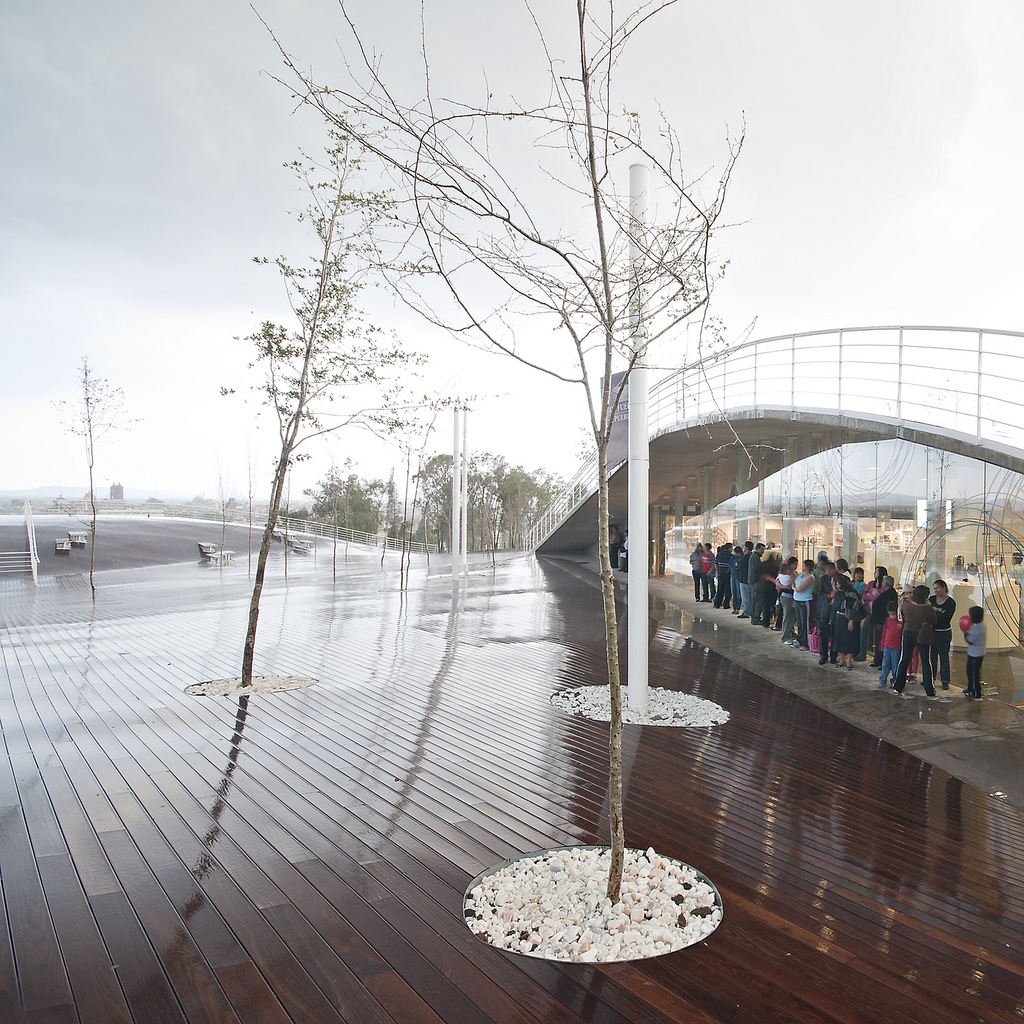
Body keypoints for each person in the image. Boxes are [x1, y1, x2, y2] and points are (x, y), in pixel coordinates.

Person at [892, 585, 938, 699]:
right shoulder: (928, 609)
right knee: (926, 662)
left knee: (904, 659)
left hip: (908, 633)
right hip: (923, 634)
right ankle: (929, 690)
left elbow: (902, 614)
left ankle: (898, 686)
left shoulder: (907, 606)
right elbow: (934, 620)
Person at [830, 575, 864, 670]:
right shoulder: (838, 593)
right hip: (838, 617)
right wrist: (831, 619)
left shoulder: (851, 593)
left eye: (838, 584)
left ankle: (849, 661)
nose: (837, 586)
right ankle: (842, 660)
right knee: (838, 640)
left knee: (849, 640)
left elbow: (854, 607)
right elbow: (834, 606)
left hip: (847, 618)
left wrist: (851, 620)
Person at [929, 580, 956, 691]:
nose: (936, 591)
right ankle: (931, 678)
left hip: (943, 632)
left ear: (944, 588)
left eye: (938, 588)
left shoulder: (950, 603)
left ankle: (945, 680)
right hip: (932, 631)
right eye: (934, 589)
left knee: (944, 657)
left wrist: (934, 619)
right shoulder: (931, 599)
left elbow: (946, 618)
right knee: (932, 656)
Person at [868, 576, 899, 667]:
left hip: (882, 621)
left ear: (885, 583)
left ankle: (881, 661)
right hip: (884, 620)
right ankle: (880, 660)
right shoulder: (891, 593)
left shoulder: (886, 595)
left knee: (881, 641)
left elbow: (878, 605)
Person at [962, 606, 986, 699]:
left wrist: (965, 633)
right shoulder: (979, 626)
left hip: (976, 654)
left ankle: (976, 692)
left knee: (974, 674)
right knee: (970, 671)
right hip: (975, 653)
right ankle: (970, 688)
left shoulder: (978, 628)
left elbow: (970, 640)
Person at [878, 605, 903, 688]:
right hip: (887, 646)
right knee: (885, 664)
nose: (892, 616)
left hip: (897, 647)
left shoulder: (901, 621)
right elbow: (884, 633)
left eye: (894, 614)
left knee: (895, 665)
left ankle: (894, 680)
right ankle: (882, 680)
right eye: (890, 614)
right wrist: (882, 644)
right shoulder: (887, 620)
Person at [793, 559, 815, 650]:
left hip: (805, 601)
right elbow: (794, 582)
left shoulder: (810, 577)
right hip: (797, 600)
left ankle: (806, 643)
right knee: (799, 622)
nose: (802, 567)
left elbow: (800, 588)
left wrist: (794, 588)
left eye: (804, 565)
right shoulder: (801, 575)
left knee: (804, 622)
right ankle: (800, 640)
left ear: (808, 567)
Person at [776, 557, 798, 643]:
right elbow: (777, 582)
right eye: (794, 563)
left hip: (793, 596)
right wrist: (784, 586)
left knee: (792, 616)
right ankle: (785, 636)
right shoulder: (784, 574)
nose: (796, 565)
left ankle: (791, 633)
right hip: (786, 596)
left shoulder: (795, 573)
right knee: (788, 616)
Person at [746, 543, 765, 625]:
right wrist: (757, 582)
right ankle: (755, 618)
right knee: (757, 600)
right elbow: (755, 571)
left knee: (754, 600)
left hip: (753, 582)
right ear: (757, 549)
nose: (763, 551)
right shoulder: (755, 558)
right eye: (762, 549)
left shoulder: (755, 557)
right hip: (755, 583)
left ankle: (754, 617)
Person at [735, 541, 753, 617]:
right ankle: (751, 611)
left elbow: (737, 564)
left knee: (745, 597)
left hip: (744, 578)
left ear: (746, 548)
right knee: (751, 597)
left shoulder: (746, 556)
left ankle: (746, 612)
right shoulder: (753, 556)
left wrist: (738, 566)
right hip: (751, 579)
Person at [714, 542, 733, 608]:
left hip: (721, 573)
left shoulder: (719, 554)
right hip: (728, 573)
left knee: (720, 589)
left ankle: (717, 603)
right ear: (729, 548)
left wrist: (717, 572)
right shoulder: (731, 555)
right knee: (728, 589)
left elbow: (715, 563)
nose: (732, 549)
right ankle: (726, 604)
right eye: (731, 548)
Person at [728, 545, 745, 615]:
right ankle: (734, 607)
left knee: (738, 593)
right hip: (732, 575)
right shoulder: (733, 557)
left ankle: (738, 608)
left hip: (738, 577)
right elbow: (729, 564)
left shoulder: (742, 558)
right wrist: (734, 568)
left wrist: (738, 568)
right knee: (733, 592)